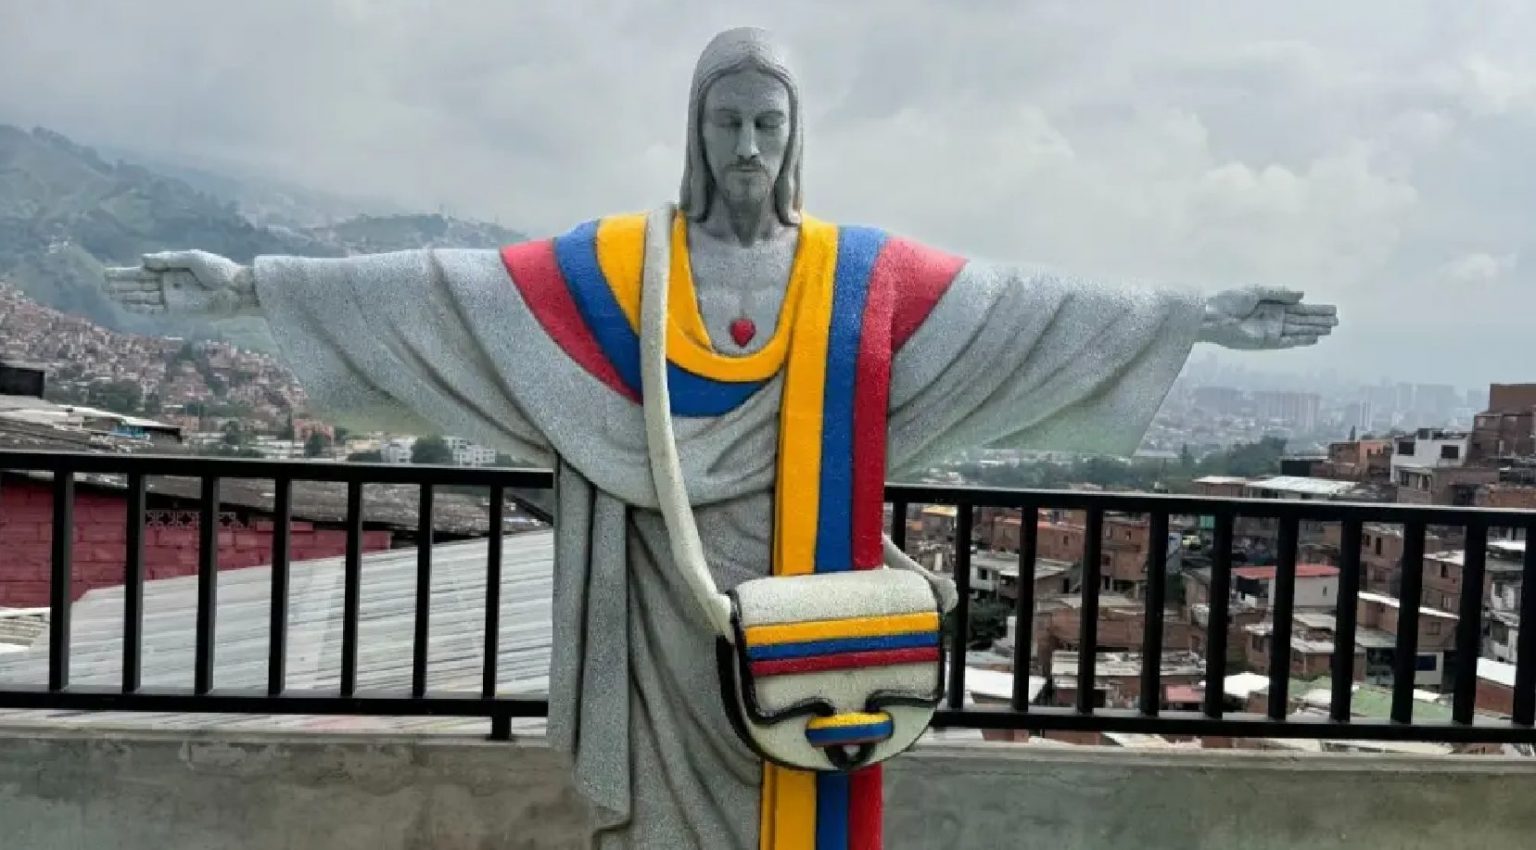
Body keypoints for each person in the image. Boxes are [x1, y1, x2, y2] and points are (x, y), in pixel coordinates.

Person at [106, 26, 1337, 850]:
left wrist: (1194, 315)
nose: (747, 148)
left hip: (815, 610)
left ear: (796, 140)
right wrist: (250, 287)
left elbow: (1021, 307)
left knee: (799, 790)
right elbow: (453, 291)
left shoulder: (857, 275)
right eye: (726, 123)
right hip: (660, 599)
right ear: (695, 132)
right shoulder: (621, 270)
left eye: (767, 126)